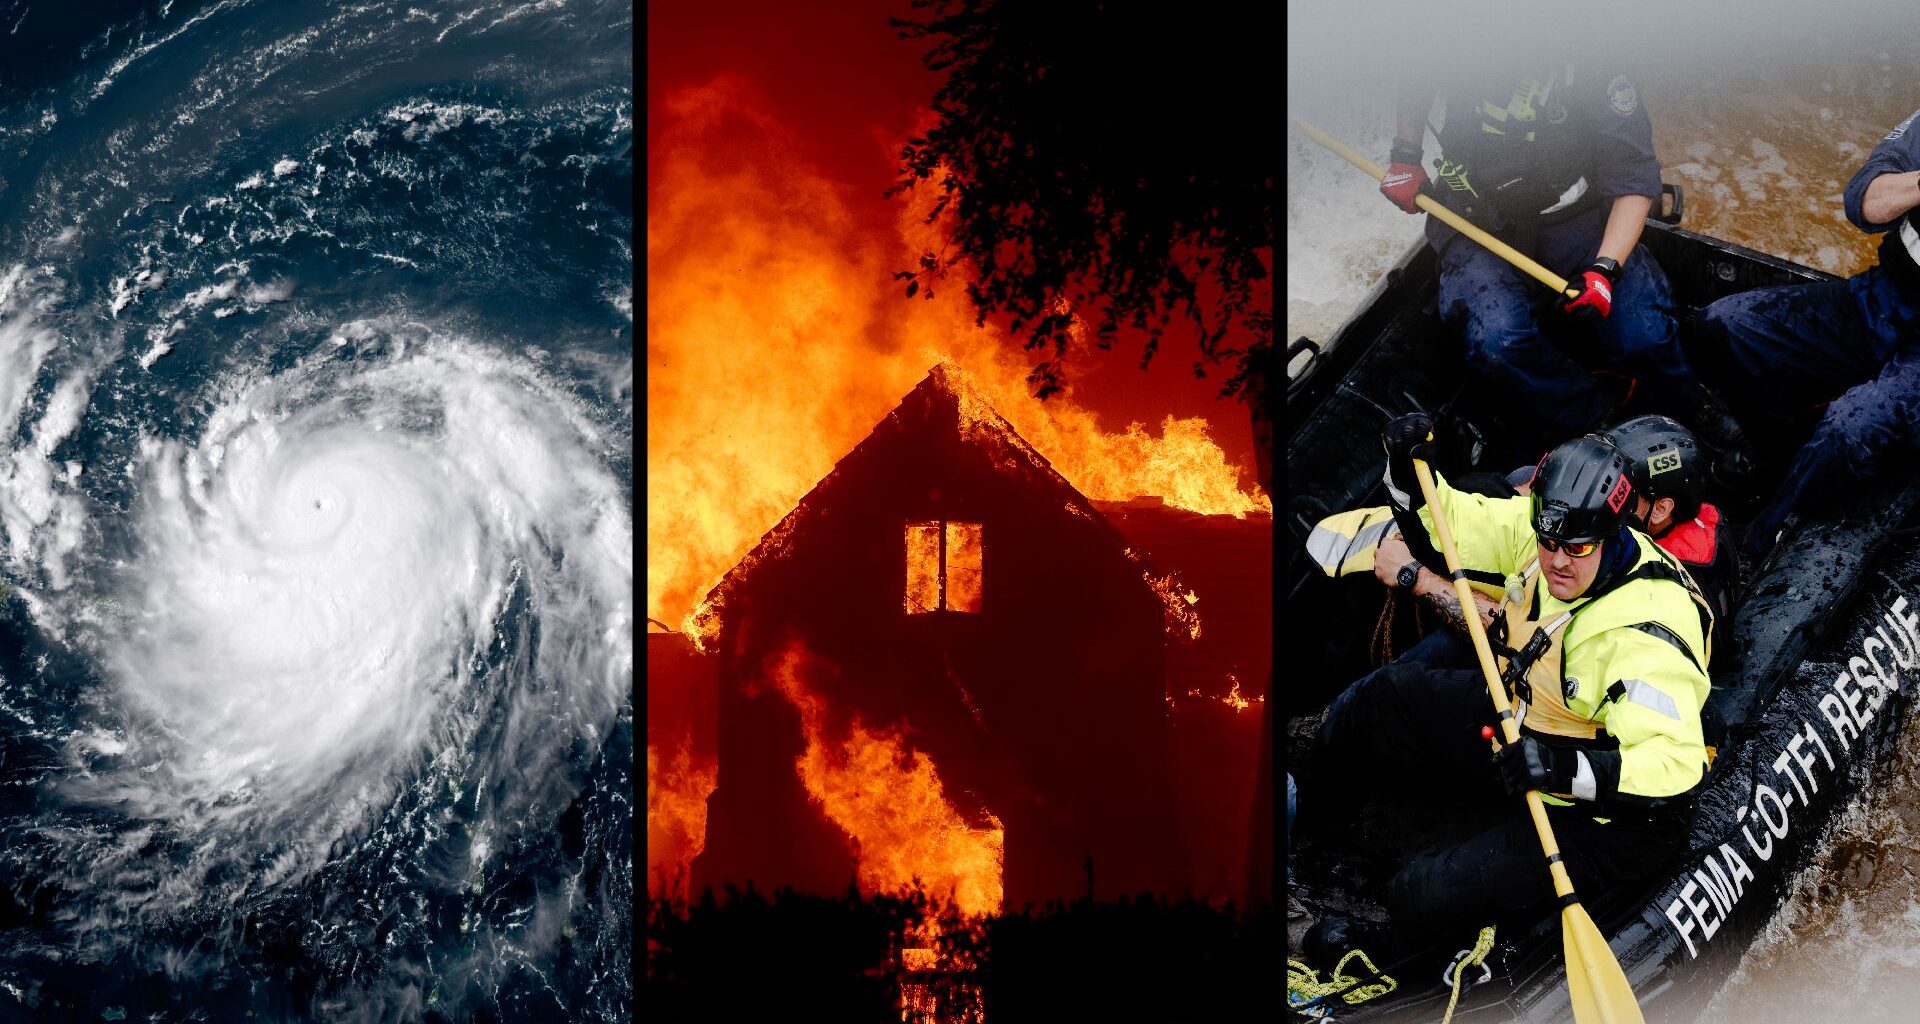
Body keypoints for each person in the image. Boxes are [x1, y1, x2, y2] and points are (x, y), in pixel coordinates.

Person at [1306, 413, 1714, 960]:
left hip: (1606, 812)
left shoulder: (1643, 634)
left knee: (1421, 892)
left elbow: (1675, 769)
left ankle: (1392, 960)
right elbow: (1450, 524)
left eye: (1579, 549)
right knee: (1387, 699)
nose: (1557, 562)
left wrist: (1561, 768)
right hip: (1523, 722)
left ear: (1615, 534)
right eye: (1549, 542)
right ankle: (1308, 806)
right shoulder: (1545, 532)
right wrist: (1404, 473)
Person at [1381, 65, 1738, 450]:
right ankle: (1600, 421)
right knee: (1498, 343)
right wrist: (1406, 154)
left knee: (1644, 335)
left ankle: (1688, 403)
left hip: (1574, 215)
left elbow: (1634, 179)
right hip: (1474, 221)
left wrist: (1604, 270)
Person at [1696, 109, 1920, 561]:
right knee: (1726, 327)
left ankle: (1758, 551)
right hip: (1884, 297)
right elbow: (1862, 198)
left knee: (1851, 426)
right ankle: (1782, 460)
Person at [1506, 415, 1738, 625]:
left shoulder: (1660, 588)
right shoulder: (1696, 522)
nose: (1602, 498)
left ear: (1660, 509)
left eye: (1621, 492)